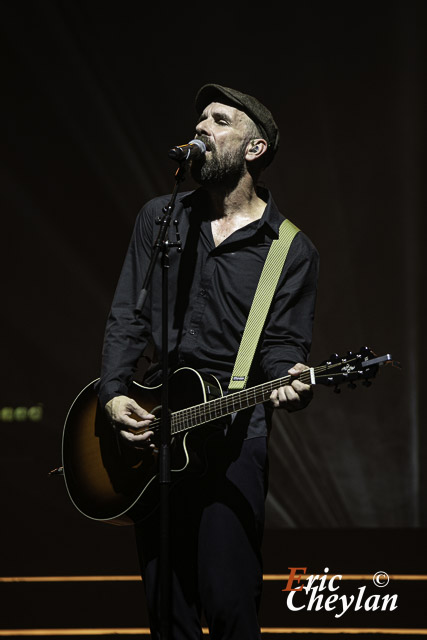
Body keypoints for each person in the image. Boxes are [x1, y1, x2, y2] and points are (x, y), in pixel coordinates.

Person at [98, 84, 319, 640]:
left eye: (219, 120)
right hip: (158, 428)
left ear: (253, 149)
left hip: (233, 435)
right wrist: (113, 393)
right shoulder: (161, 218)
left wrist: (293, 378)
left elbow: (282, 348)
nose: (201, 127)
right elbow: (127, 314)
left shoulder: (289, 249)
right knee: (166, 610)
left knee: (229, 604)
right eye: (199, 119)